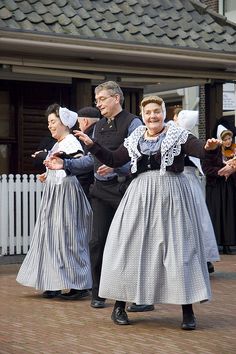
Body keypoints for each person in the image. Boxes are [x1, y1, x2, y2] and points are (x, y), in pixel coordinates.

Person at [77, 95, 220, 330]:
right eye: (148, 112)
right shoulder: (136, 137)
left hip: (171, 197)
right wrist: (92, 145)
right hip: (139, 197)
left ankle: (187, 311)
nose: (152, 116)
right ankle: (119, 306)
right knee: (129, 248)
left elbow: (199, 149)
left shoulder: (177, 136)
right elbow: (114, 159)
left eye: (157, 111)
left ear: (163, 113)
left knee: (178, 250)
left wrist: (209, 147)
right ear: (143, 116)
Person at [45, 82, 151, 311]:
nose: (98, 103)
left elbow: (140, 159)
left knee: (131, 244)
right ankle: (99, 292)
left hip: (126, 191)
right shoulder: (98, 127)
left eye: (102, 99)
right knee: (97, 242)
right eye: (97, 99)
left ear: (116, 98)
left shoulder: (134, 123)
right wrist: (66, 163)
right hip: (101, 192)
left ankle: (142, 298)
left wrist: (117, 168)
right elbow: (90, 160)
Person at [16, 103, 93, 300]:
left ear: (64, 123)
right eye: (49, 122)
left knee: (68, 237)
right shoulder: (59, 144)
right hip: (55, 193)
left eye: (53, 121)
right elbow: (57, 166)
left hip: (66, 195)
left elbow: (74, 163)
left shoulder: (71, 142)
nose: (50, 126)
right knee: (51, 237)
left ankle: (80, 284)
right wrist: (47, 173)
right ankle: (54, 281)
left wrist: (48, 159)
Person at [173, 109, 220, 273]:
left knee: (194, 220)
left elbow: (204, 163)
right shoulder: (181, 137)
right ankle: (200, 258)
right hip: (185, 182)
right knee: (196, 220)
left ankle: (200, 258)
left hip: (187, 182)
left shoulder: (187, 140)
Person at [202, 127, 236, 255]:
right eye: (225, 139)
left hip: (228, 187)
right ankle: (217, 242)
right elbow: (206, 169)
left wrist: (232, 169)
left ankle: (228, 243)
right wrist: (223, 171)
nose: (228, 141)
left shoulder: (233, 151)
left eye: (229, 138)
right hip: (216, 187)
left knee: (228, 214)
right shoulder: (213, 151)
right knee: (216, 213)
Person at [76, 106, 100, 200]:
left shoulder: (87, 137)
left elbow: (90, 162)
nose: (79, 126)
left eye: (79, 123)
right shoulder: (102, 131)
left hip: (90, 187)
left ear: (85, 121)